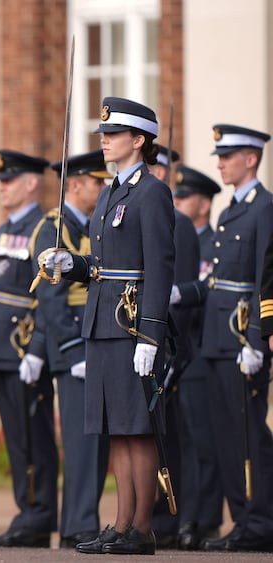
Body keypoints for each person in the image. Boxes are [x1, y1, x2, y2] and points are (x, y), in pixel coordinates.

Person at [43, 97, 174, 555]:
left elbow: (159, 266)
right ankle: (120, 523)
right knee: (118, 427)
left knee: (137, 427)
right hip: (102, 321)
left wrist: (151, 334)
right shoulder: (111, 191)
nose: (104, 140)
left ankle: (140, 526)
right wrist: (71, 263)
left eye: (113, 134)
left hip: (132, 323)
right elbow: (102, 264)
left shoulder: (152, 191)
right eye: (103, 134)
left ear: (138, 140)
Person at [173, 124, 273, 552]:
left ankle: (261, 520)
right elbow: (217, 279)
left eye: (228, 155)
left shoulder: (263, 208)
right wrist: (183, 292)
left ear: (251, 158)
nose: (220, 163)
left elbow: (264, 279)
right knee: (225, 436)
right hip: (214, 339)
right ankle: (243, 519)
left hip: (239, 339)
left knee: (248, 434)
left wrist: (255, 338)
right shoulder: (233, 210)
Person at [27, 150, 111, 548]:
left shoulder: (95, 226)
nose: (102, 188)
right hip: (75, 347)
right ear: (74, 185)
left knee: (97, 441)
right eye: (97, 182)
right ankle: (78, 524)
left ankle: (85, 519)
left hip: (97, 342)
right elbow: (51, 298)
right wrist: (73, 348)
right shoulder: (52, 228)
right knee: (81, 442)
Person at [0, 150, 58, 549]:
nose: (2, 188)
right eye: (1, 182)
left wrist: (39, 346)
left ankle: (39, 512)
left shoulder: (43, 226)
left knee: (33, 435)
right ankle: (25, 510)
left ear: (31, 183)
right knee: (15, 436)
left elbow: (48, 295)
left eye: (9, 181)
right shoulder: (6, 228)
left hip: (23, 344)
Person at [147, 145, 201, 549]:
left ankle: (176, 522)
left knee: (173, 442)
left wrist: (172, 354)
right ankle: (158, 518)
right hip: (144, 343)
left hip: (168, 348)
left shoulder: (178, 223)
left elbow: (175, 295)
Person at [170, 165, 224, 549]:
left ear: (203, 204)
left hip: (203, 353)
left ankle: (204, 521)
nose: (176, 203)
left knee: (203, 442)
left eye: (183, 197)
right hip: (177, 352)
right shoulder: (174, 238)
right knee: (180, 442)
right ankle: (182, 517)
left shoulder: (215, 244)